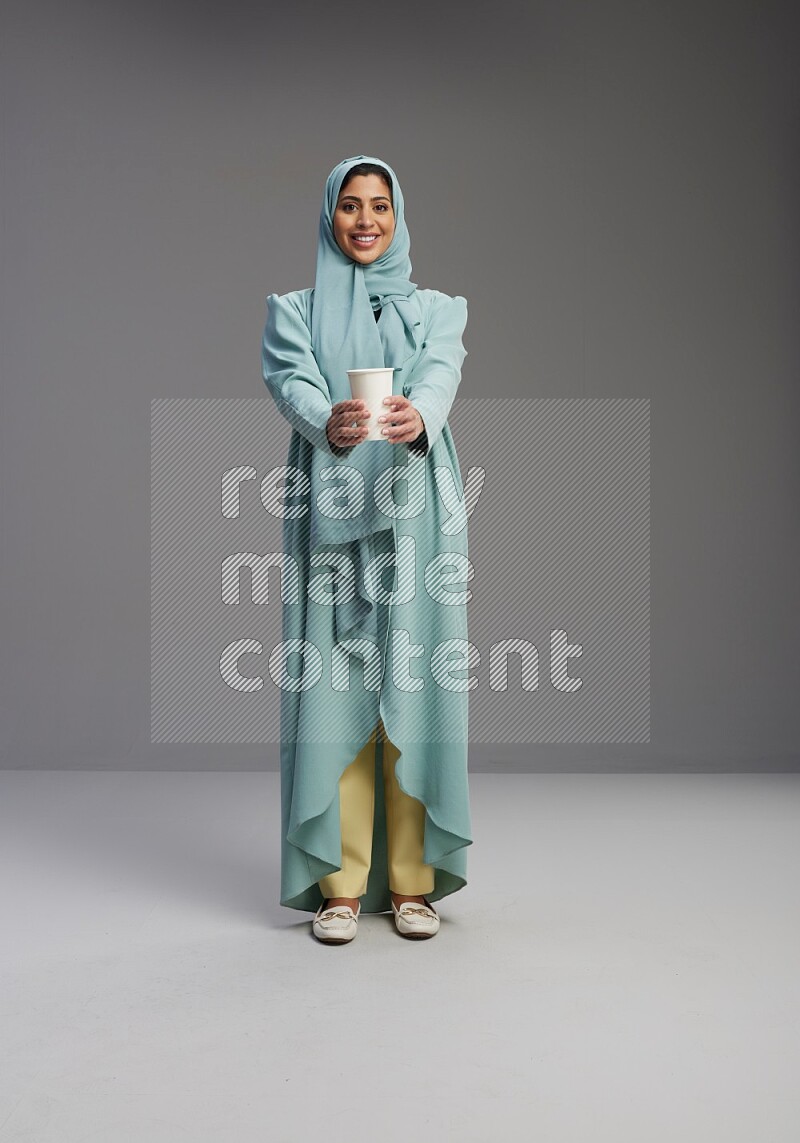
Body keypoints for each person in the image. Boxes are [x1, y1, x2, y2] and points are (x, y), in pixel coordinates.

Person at [261, 154, 473, 944]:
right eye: (350, 206)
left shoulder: (438, 309)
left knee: (415, 688)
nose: (365, 221)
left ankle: (414, 882)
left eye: (379, 206)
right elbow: (291, 380)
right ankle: (342, 886)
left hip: (416, 510)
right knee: (335, 691)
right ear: (330, 216)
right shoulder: (294, 309)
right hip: (332, 511)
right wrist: (328, 422)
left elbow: (441, 375)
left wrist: (421, 412)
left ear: (397, 214)